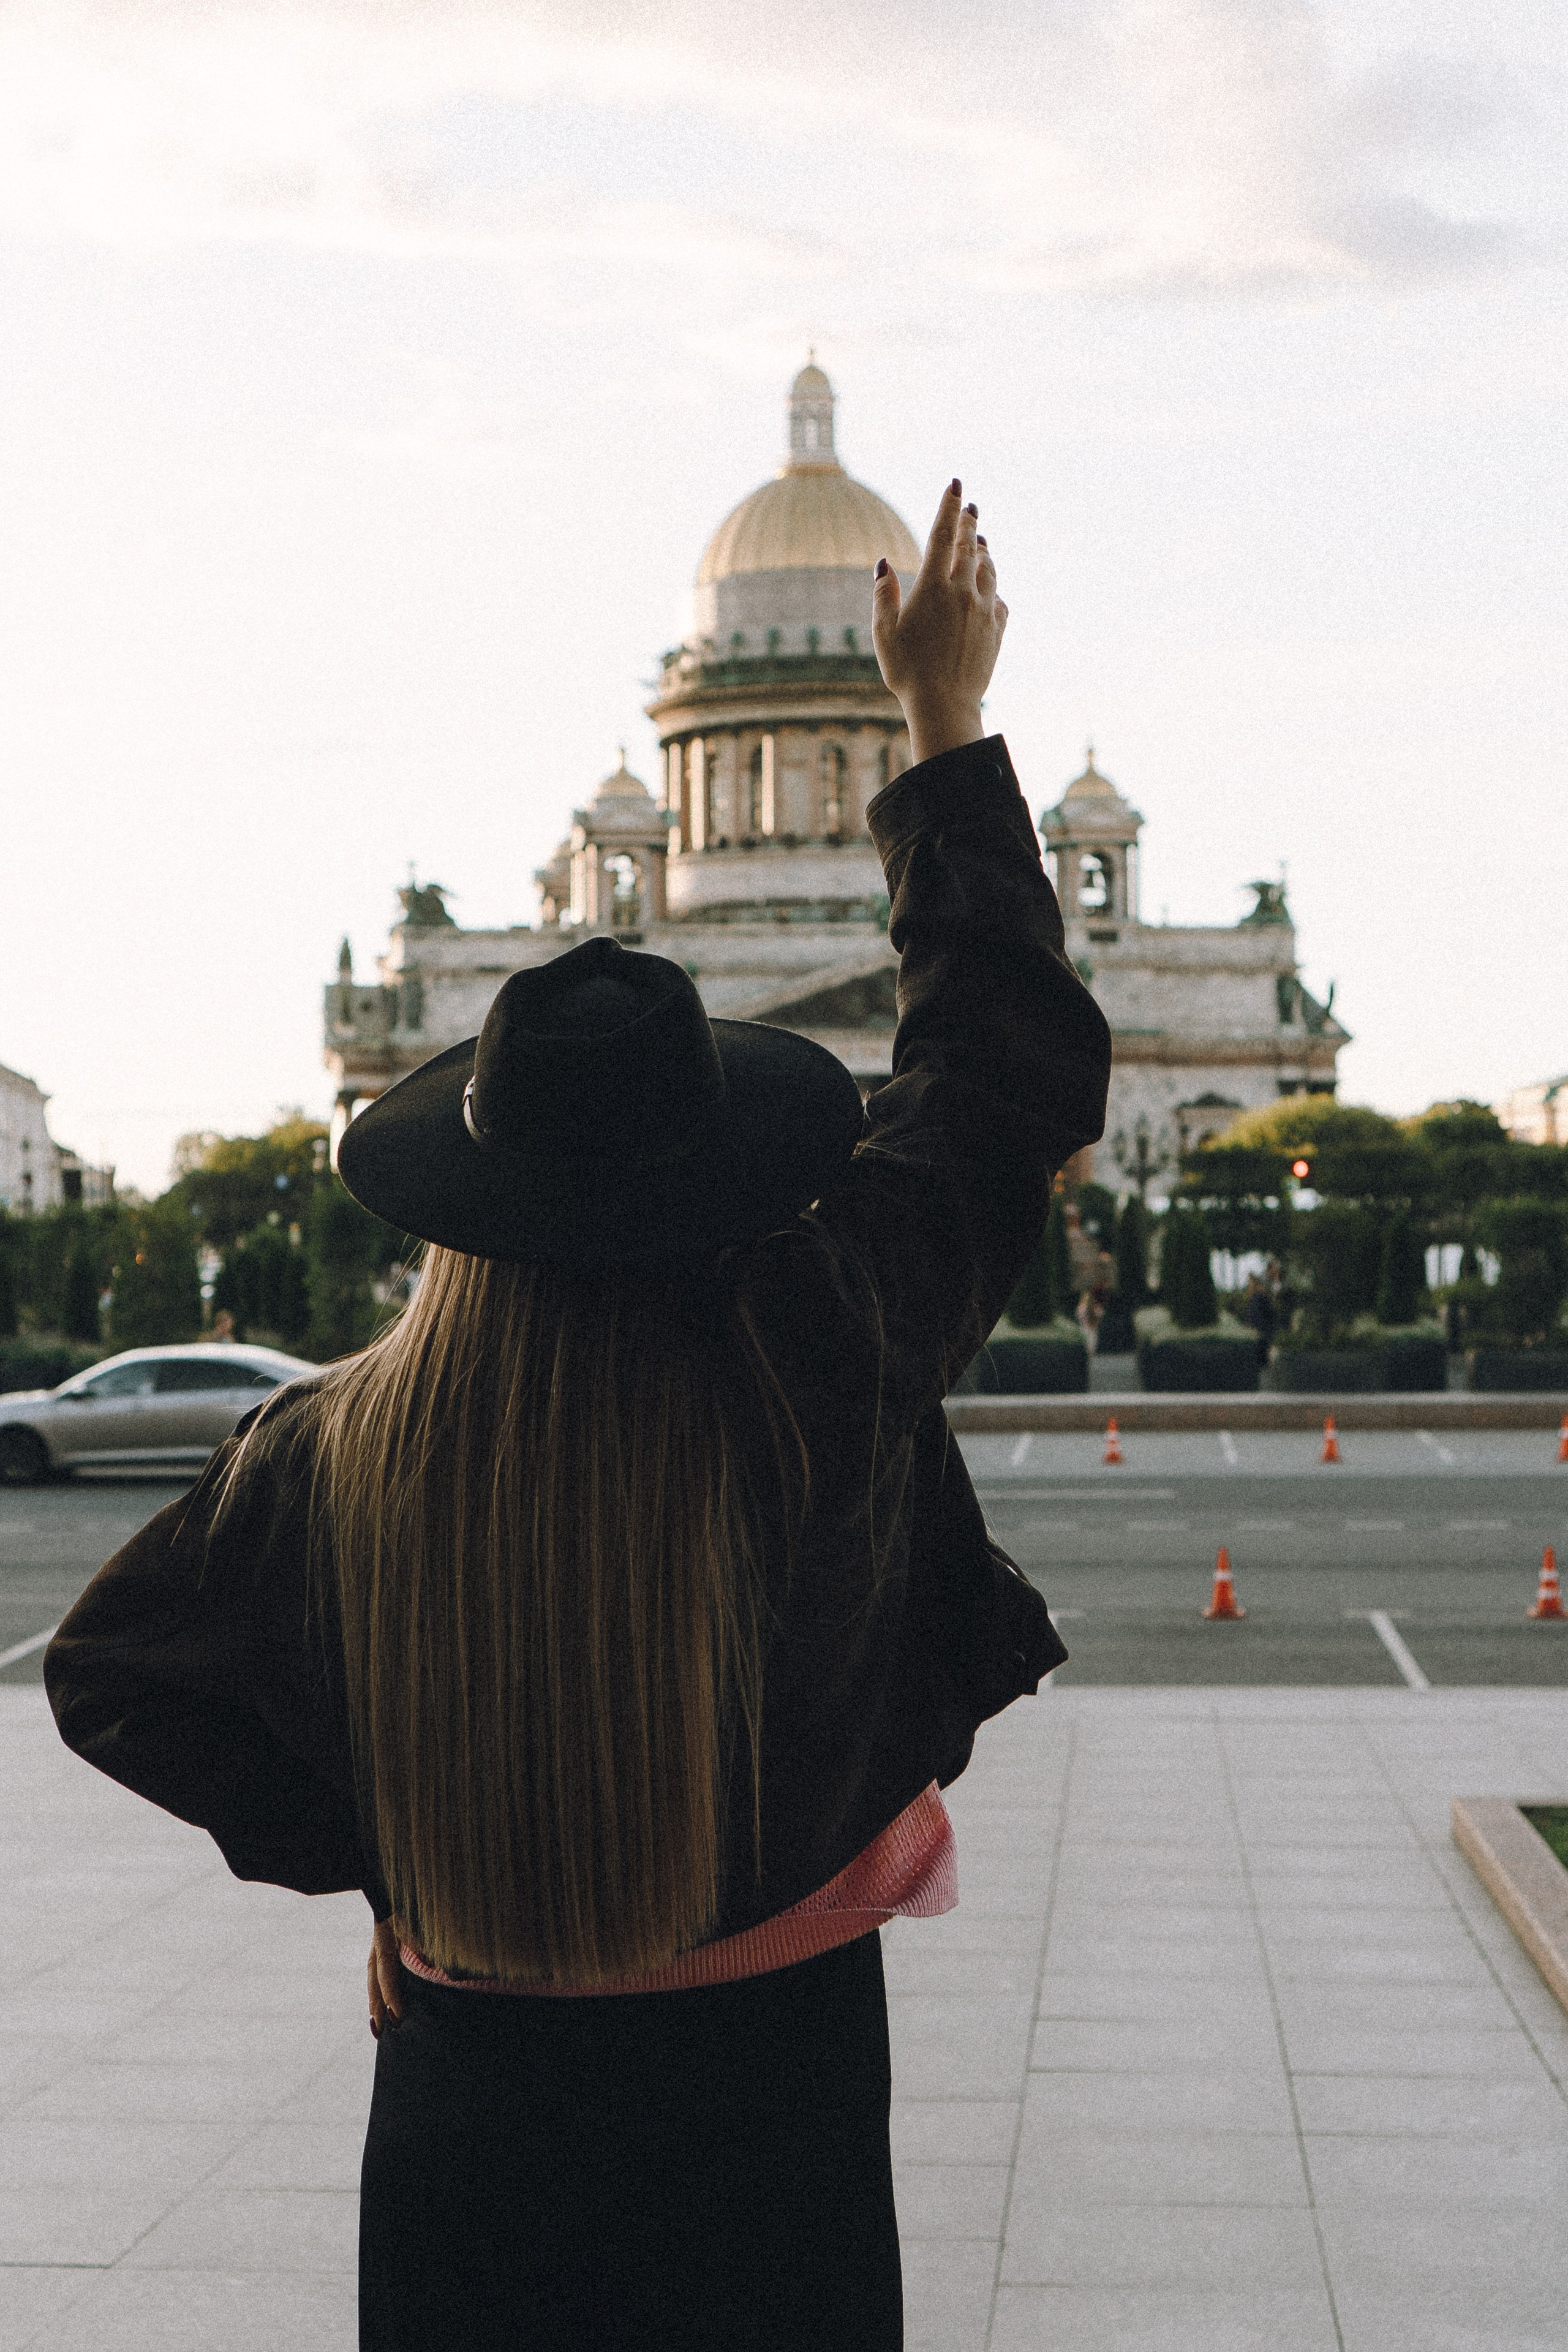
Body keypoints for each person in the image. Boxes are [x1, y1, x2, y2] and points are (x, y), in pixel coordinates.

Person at [44, 483, 1111, 2351]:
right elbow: (1000, 1070)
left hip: (477, 2081)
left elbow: (113, 1677)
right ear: (726, 1146)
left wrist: (389, 1852)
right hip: (774, 2089)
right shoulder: (823, 1348)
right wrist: (945, 729)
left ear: (463, 1187)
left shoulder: (341, 1447)